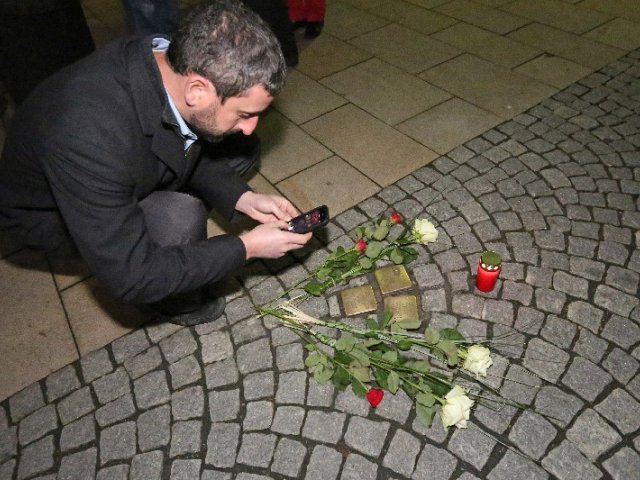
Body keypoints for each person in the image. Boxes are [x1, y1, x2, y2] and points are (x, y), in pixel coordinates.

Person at [0, 0, 313, 326]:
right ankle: (177, 305)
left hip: (114, 160)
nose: (251, 127)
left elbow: (181, 133)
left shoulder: (169, 58)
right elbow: (132, 275)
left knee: (240, 151)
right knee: (178, 218)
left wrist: (243, 198)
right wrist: (245, 247)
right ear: (197, 89)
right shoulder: (87, 138)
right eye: (245, 114)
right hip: (49, 215)